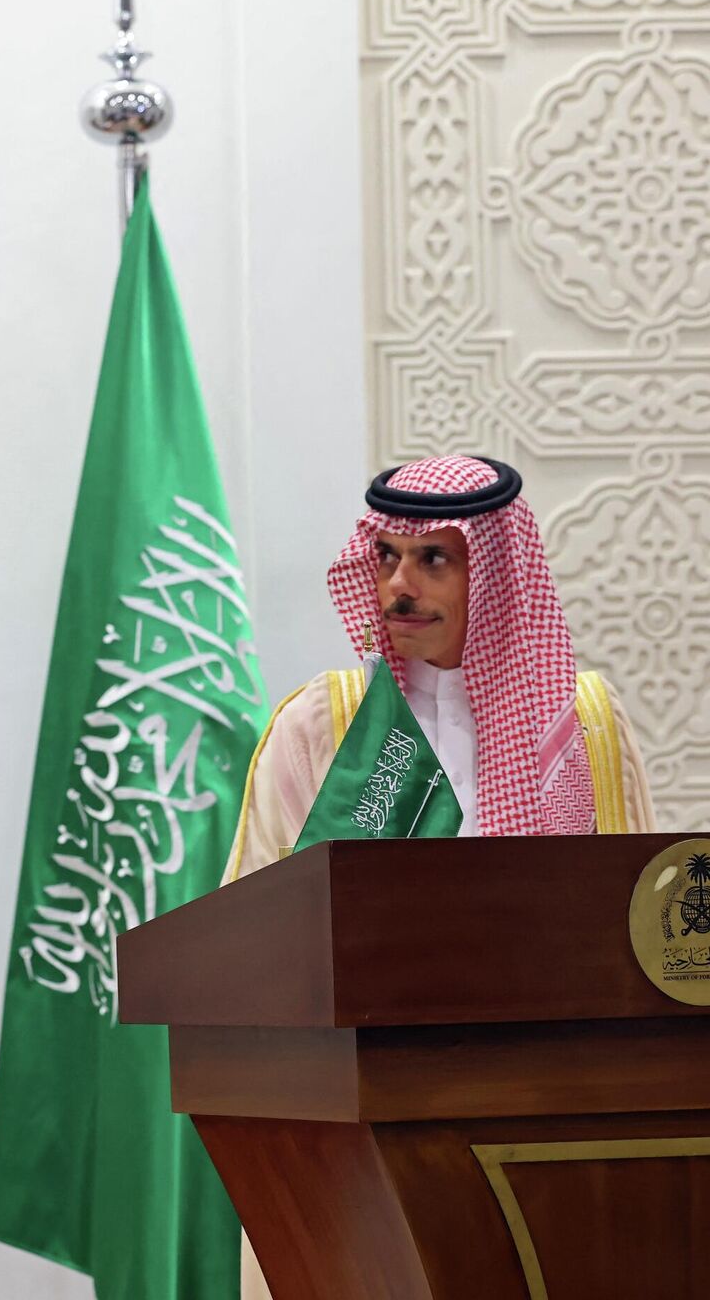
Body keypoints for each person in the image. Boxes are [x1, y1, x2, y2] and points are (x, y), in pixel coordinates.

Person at [222, 453, 652, 1300]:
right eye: (385, 556)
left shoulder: (587, 727)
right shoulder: (325, 726)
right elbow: (244, 944)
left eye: (433, 560)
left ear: (492, 574)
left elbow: (640, 933)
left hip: (550, 1123)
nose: (399, 584)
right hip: (356, 1143)